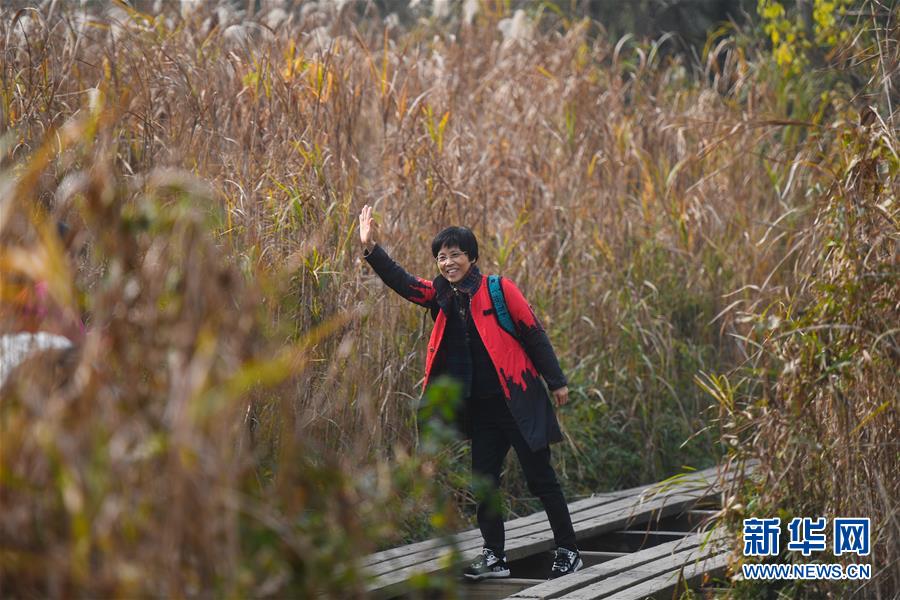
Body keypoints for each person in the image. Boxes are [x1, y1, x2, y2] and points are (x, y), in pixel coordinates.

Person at [358, 205, 582, 580]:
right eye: (442, 257)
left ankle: (569, 551)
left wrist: (556, 381)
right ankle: (494, 557)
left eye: (455, 255)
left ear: (472, 257)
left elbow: (533, 332)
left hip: (518, 402)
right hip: (481, 411)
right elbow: (403, 282)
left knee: (541, 479)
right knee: (484, 484)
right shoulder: (440, 295)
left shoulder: (499, 289)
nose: (448, 263)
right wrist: (371, 249)